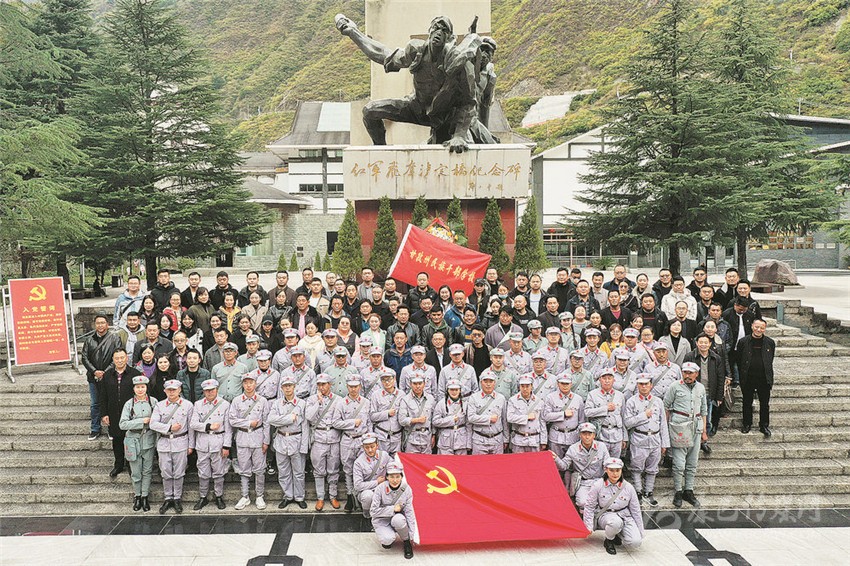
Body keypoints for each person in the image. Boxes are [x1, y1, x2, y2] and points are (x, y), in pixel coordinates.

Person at [664, 361, 708, 508]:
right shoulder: (674, 386)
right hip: (680, 426)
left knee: (692, 462)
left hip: (696, 425)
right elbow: (666, 406)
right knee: (679, 463)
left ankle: (688, 490)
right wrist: (665, 429)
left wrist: (704, 431)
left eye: (690, 373)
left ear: (697, 374)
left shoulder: (701, 388)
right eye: (685, 372)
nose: (687, 376)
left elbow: (704, 410)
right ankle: (678, 490)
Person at [623, 375, 669, 507]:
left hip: (655, 439)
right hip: (639, 439)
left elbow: (663, 423)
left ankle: (649, 491)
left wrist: (665, 443)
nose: (644, 387)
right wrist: (643, 415)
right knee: (636, 468)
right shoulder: (631, 401)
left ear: (651, 385)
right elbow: (627, 422)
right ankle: (638, 491)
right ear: (637, 385)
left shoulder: (658, 401)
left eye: (646, 384)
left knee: (652, 468)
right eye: (641, 384)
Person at [582, 457, 643, 555]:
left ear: (621, 470)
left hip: (625, 515)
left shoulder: (628, 487)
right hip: (606, 515)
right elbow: (589, 506)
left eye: (618, 470)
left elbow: (635, 510)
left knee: (635, 542)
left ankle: (617, 533)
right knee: (615, 523)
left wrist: (640, 531)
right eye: (611, 470)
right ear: (605, 470)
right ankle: (609, 539)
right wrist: (588, 526)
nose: (615, 474)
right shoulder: (598, 485)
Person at [149, 379, 193, 514]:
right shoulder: (160, 405)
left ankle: (177, 498)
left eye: (174, 389)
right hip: (164, 442)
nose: (172, 392)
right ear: (165, 391)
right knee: (166, 472)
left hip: (181, 441)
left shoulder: (187, 405)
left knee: (179, 472)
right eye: (169, 390)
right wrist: (169, 427)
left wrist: (191, 445)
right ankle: (168, 497)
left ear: (179, 390)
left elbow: (191, 427)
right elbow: (153, 424)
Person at [229, 373, 271, 511]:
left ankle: (259, 495)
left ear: (255, 384)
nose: (248, 385)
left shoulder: (262, 401)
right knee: (244, 468)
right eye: (246, 382)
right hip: (242, 437)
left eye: (251, 382)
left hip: (258, 436)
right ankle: (245, 495)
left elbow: (266, 422)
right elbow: (232, 420)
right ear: (242, 384)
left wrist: (266, 441)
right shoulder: (236, 401)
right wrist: (248, 423)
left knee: (259, 469)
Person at [267, 372, 309, 509]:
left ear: (294, 386)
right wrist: (290, 418)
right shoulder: (277, 403)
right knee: (283, 471)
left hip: (296, 439)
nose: (288, 388)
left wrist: (304, 446)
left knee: (299, 472)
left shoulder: (302, 403)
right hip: (281, 439)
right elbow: (271, 419)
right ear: (281, 388)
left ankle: (299, 497)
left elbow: (305, 426)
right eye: (285, 386)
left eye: (290, 385)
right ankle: (288, 496)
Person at [189, 378, 231, 510]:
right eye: (207, 390)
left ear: (217, 390)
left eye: (212, 390)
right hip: (202, 442)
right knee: (203, 472)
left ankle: (219, 496)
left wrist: (226, 446)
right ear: (203, 391)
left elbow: (228, 428)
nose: (209, 392)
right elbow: (193, 424)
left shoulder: (225, 404)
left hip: (218, 441)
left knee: (219, 471)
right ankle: (203, 497)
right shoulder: (198, 404)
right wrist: (208, 426)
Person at [100, 349, 142, 477]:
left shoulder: (135, 374)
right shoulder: (107, 375)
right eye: (117, 358)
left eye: (122, 358)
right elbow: (103, 396)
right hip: (113, 412)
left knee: (130, 439)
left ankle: (131, 464)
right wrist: (104, 414)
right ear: (113, 360)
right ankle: (118, 465)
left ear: (126, 358)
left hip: (131, 413)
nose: (119, 360)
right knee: (117, 439)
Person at [119, 375, 157, 512]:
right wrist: (141, 421)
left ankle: (145, 496)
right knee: (135, 472)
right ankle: (137, 496)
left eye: (142, 387)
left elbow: (158, 422)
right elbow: (122, 424)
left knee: (147, 470)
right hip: (133, 441)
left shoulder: (153, 402)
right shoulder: (129, 404)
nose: (140, 390)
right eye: (137, 387)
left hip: (149, 440)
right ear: (133, 388)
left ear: (146, 388)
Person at [335, 375, 372, 513]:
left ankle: (361, 496)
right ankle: (350, 496)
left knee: (364, 468)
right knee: (348, 469)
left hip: (362, 440)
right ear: (347, 387)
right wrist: (352, 423)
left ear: (360, 387)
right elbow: (336, 422)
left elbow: (369, 422)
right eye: (351, 386)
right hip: (348, 439)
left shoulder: (366, 402)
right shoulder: (341, 403)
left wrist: (370, 440)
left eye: (356, 386)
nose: (353, 389)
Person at [82, 315, 122, 441]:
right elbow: (84, 358)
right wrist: (94, 371)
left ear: (107, 324)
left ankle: (111, 428)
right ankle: (95, 429)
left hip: (110, 376)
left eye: (102, 322)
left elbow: (118, 356)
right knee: (95, 404)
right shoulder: (89, 340)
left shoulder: (114, 338)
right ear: (95, 325)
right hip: (93, 377)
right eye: (98, 323)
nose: (100, 325)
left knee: (111, 402)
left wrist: (106, 372)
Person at [306, 373, 342, 511]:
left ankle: (333, 496)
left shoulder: (338, 400)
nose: (321, 387)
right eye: (319, 384)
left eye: (324, 384)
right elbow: (309, 417)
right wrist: (318, 402)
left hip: (333, 437)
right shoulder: (311, 399)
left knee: (333, 469)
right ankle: (320, 497)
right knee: (318, 470)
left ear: (330, 384)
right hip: (319, 437)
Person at [554, 422, 609, 509]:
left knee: (605, 502)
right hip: (583, 483)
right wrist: (556, 458)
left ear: (594, 435)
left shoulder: (601, 446)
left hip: (599, 481)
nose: (587, 437)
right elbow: (564, 466)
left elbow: (608, 465)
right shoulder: (573, 448)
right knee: (582, 503)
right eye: (584, 434)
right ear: (580, 435)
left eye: (590, 434)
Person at [370, 461, 416, 559]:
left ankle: (406, 541)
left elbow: (409, 512)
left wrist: (411, 535)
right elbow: (373, 512)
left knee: (398, 520)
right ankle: (388, 535)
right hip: (382, 519)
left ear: (401, 477)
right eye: (391, 477)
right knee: (387, 540)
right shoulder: (380, 489)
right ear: (387, 477)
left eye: (397, 476)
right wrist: (392, 509)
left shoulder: (406, 489)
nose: (395, 480)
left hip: (397, 518)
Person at [737, 319, 775, 437]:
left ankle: (764, 425)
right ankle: (747, 424)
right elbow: (739, 359)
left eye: (762, 328)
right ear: (752, 326)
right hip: (748, 377)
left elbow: (770, 359)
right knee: (747, 402)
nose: (759, 330)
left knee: (764, 403)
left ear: (765, 329)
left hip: (764, 378)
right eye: (757, 327)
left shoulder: (770, 342)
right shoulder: (743, 342)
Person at [683, 334, 725, 442]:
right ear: (696, 343)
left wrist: (719, 396)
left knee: (707, 419)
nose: (703, 345)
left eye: (706, 342)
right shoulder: (690, 356)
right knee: (693, 418)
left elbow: (720, 377)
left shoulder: (716, 358)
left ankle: (704, 441)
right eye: (701, 342)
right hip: (693, 392)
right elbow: (684, 375)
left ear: (710, 344)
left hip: (709, 393)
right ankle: (694, 440)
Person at [585, 367, 626, 458]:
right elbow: (587, 412)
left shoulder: (620, 395)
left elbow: (623, 417)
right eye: (604, 378)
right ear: (600, 380)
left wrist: (625, 437)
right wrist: (605, 409)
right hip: (601, 435)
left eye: (609, 378)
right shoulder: (593, 394)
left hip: (617, 435)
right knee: (600, 461)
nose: (607, 381)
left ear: (613, 380)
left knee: (614, 462)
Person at [542, 374, 585, 459]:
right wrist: (563, 414)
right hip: (556, 436)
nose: (565, 386)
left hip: (573, 437)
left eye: (567, 383)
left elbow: (581, 420)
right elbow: (546, 416)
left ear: (571, 384)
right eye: (562, 383)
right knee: (555, 462)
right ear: (558, 383)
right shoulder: (550, 397)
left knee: (573, 462)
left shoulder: (578, 399)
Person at [466, 372, 508, 454]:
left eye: (491, 381)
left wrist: (506, 439)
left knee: (498, 462)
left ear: (494, 383)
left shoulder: (501, 398)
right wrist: (488, 419)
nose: (488, 384)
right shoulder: (473, 398)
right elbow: (470, 418)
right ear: (481, 382)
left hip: (497, 440)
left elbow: (504, 420)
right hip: (479, 440)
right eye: (485, 381)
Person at [353, 432, 392, 518]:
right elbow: (358, 486)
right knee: (368, 496)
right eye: (367, 447)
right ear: (363, 447)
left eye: (372, 446)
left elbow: (393, 467)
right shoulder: (358, 462)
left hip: (383, 488)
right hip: (367, 490)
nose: (370, 450)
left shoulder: (384, 455)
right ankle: (367, 514)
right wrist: (376, 482)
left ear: (377, 445)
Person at [507, 375, 547, 452]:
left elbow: (542, 422)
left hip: (534, 440)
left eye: (527, 386)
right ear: (519, 387)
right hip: (519, 439)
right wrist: (526, 417)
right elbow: (510, 418)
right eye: (522, 386)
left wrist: (543, 441)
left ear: (531, 386)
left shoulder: (539, 401)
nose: (525, 389)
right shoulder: (512, 400)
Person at [369, 370, 404, 456]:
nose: (387, 382)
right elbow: (372, 416)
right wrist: (386, 413)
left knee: (396, 460)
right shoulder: (376, 395)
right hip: (382, 435)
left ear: (394, 379)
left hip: (396, 436)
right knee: (382, 460)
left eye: (389, 379)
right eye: (384, 380)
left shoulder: (401, 394)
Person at [432, 379, 470, 454]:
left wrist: (468, 443)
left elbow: (469, 424)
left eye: (456, 390)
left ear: (460, 390)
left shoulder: (466, 404)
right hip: (445, 441)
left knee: (461, 461)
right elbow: (435, 421)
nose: (454, 392)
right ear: (447, 390)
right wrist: (451, 420)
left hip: (461, 441)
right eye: (451, 389)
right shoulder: (441, 404)